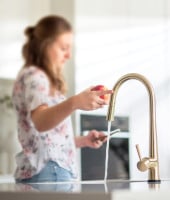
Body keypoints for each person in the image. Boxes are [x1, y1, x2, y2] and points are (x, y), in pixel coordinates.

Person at [12, 15, 112, 183]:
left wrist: (82, 141)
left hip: (45, 170)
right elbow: (41, 122)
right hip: (50, 172)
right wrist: (75, 102)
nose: (68, 55)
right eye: (63, 48)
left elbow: (47, 140)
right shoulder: (35, 77)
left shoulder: (40, 79)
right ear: (45, 46)